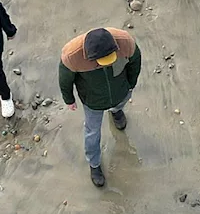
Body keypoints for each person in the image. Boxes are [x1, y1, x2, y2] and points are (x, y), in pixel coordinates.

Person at [59, 27, 141, 188]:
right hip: (93, 102)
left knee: (120, 103)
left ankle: (116, 112)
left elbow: (135, 63)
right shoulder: (72, 56)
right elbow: (65, 79)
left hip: (120, 92)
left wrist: (131, 84)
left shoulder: (126, 42)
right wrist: (69, 99)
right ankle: (94, 165)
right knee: (92, 132)